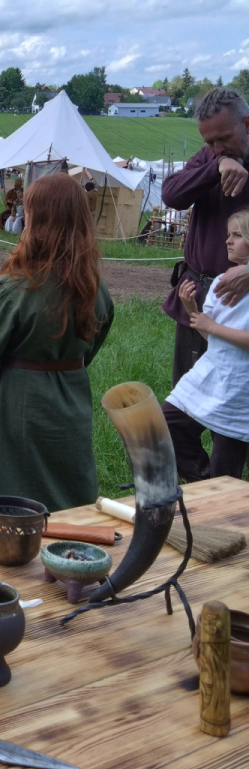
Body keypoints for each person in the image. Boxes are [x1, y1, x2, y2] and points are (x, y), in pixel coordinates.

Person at [0, 173, 114, 511]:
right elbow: (90, 348)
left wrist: (4, 399)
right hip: (72, 400)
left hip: (20, 404)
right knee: (71, 491)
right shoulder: (95, 289)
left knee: (17, 500)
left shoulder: (14, 289)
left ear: (40, 220)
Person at [161, 88, 249, 385]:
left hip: (243, 305)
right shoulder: (209, 158)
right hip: (197, 297)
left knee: (235, 398)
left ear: (247, 124)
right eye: (209, 142)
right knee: (187, 393)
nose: (217, 148)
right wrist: (216, 167)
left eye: (223, 138)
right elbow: (172, 195)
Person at [163, 209, 249, 481]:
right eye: (228, 234)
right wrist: (192, 309)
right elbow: (214, 339)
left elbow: (217, 332)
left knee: (227, 469)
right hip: (211, 375)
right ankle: (204, 482)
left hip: (241, 388)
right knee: (167, 423)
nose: (228, 241)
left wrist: (212, 326)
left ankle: (222, 495)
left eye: (237, 235)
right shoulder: (221, 283)